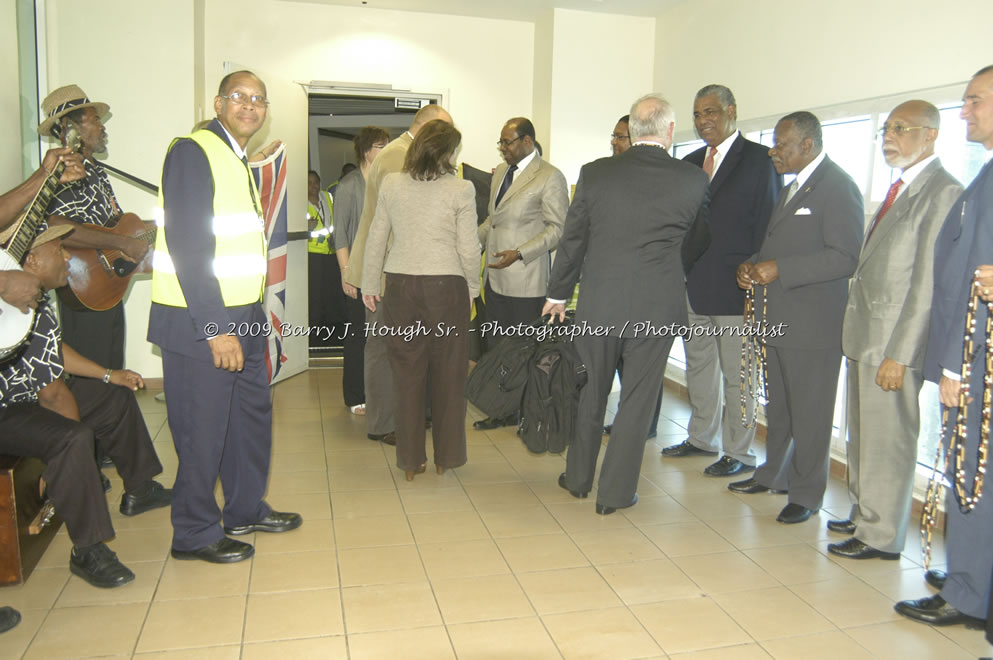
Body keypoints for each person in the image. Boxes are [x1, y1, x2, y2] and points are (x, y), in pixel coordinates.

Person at [148, 70, 301, 564]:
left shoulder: (236, 158)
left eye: (259, 99)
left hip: (245, 312)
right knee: (203, 427)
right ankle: (193, 530)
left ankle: (244, 507)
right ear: (219, 103)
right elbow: (190, 246)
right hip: (202, 319)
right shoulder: (194, 151)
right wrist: (216, 329)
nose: (250, 106)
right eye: (240, 97)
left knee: (249, 419)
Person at [546, 94, 709, 515]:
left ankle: (579, 479)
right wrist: (668, 266)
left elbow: (573, 240)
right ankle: (615, 494)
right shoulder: (692, 180)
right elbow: (699, 241)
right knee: (637, 400)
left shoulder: (596, 174)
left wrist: (557, 295)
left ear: (632, 131)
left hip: (600, 304)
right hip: (656, 308)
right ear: (670, 131)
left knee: (590, 391)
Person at [2, 225, 171, 588]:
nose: (67, 257)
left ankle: (139, 488)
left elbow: (56, 350)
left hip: (28, 398)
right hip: (8, 409)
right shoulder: (14, 303)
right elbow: (53, 396)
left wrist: (109, 375)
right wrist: (78, 461)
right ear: (31, 259)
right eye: (58, 250)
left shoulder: (35, 295)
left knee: (114, 396)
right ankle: (88, 548)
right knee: (72, 438)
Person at [828, 101, 962, 561]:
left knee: (890, 441)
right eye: (886, 128)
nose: (889, 136)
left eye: (900, 129)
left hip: (891, 343)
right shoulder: (900, 187)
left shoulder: (942, 191)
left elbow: (926, 281)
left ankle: (881, 535)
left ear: (930, 134)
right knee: (865, 436)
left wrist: (899, 354)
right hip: (866, 333)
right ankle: (866, 512)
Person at [730, 111, 863, 524]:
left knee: (811, 414)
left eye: (782, 144)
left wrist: (780, 270)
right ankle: (774, 475)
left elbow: (845, 258)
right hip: (779, 321)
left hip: (814, 328)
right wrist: (751, 265)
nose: (774, 151)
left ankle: (806, 494)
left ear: (807, 145)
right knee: (783, 409)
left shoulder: (838, 187)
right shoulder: (792, 188)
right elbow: (776, 245)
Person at [896, 64, 993, 629]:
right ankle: (970, 575)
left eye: (975, 100)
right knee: (969, 479)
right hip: (970, 353)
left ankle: (969, 594)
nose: (964, 112)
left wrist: (958, 364)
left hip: (979, 359)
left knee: (974, 481)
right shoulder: (983, 173)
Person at [662, 84, 781, 477]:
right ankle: (701, 438)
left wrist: (753, 271)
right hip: (693, 285)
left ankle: (740, 452)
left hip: (737, 290)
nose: (703, 121)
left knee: (738, 376)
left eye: (711, 112)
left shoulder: (760, 160)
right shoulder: (691, 162)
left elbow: (768, 227)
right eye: (697, 115)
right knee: (699, 368)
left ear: (732, 111)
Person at [361, 120, 478, 480]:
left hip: (401, 287)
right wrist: (472, 289)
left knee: (407, 375)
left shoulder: (393, 184)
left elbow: (376, 237)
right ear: (446, 153)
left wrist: (369, 283)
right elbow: (469, 249)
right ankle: (447, 457)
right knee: (449, 376)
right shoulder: (462, 189)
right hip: (446, 288)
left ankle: (411, 461)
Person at [344, 104, 454, 446]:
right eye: (442, 132)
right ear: (424, 128)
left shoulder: (409, 153)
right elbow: (389, 226)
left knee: (402, 345)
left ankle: (398, 417)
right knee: (383, 347)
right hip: (387, 269)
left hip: (395, 266)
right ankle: (383, 423)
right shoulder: (397, 157)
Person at [38, 85, 150, 370]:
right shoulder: (59, 171)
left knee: (112, 368)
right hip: (82, 285)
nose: (102, 127)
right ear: (69, 128)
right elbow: (59, 226)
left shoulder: (95, 170)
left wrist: (142, 234)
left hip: (107, 285)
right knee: (93, 377)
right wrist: (122, 244)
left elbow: (114, 226)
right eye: (94, 119)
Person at [474, 117, 569, 430]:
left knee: (524, 350)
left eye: (508, 142)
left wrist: (521, 252)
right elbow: (494, 221)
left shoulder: (549, 176)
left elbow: (559, 229)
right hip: (496, 279)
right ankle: (502, 408)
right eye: (501, 142)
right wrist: (469, 240)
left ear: (527, 140)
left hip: (526, 281)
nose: (503, 149)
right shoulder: (501, 172)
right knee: (497, 347)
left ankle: (526, 411)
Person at [334, 126, 390, 416]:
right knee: (358, 335)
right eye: (381, 146)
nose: (386, 151)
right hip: (355, 271)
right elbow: (340, 236)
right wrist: (346, 273)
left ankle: (378, 392)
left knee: (380, 336)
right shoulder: (349, 185)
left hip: (383, 272)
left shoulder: (388, 181)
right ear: (367, 150)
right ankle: (356, 394)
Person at [305, 169, 345, 347]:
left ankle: (333, 326)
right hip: (312, 254)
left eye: (316, 182)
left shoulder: (328, 197)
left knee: (332, 291)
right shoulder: (299, 203)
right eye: (309, 183)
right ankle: (315, 330)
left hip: (331, 251)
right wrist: (305, 225)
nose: (314, 186)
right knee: (315, 294)